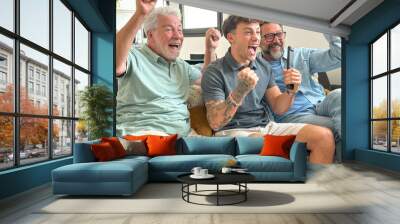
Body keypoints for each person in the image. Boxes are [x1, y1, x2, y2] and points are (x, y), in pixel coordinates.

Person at [201, 15, 335, 164]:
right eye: (248, 32)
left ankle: (314, 187)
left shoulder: (263, 65)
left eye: (257, 32)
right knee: (260, 141)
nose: (256, 38)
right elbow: (215, 122)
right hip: (233, 132)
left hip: (266, 127)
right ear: (231, 37)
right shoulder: (214, 71)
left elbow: (279, 107)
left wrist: (291, 90)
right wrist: (240, 91)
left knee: (323, 137)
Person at [116, 0, 221, 136]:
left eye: (179, 29)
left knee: (220, 154)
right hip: (143, 133)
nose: (178, 35)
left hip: (183, 137)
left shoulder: (181, 66)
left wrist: (210, 49)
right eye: (169, 29)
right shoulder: (133, 57)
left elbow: (208, 81)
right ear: (150, 35)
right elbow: (116, 64)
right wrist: (140, 14)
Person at [258, 22, 342, 141]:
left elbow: (339, 56)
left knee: (339, 94)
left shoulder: (301, 55)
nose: (276, 40)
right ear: (259, 40)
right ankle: (351, 157)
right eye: (269, 36)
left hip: (319, 104)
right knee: (340, 126)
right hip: (293, 116)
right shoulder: (257, 66)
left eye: (279, 34)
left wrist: (327, 23)